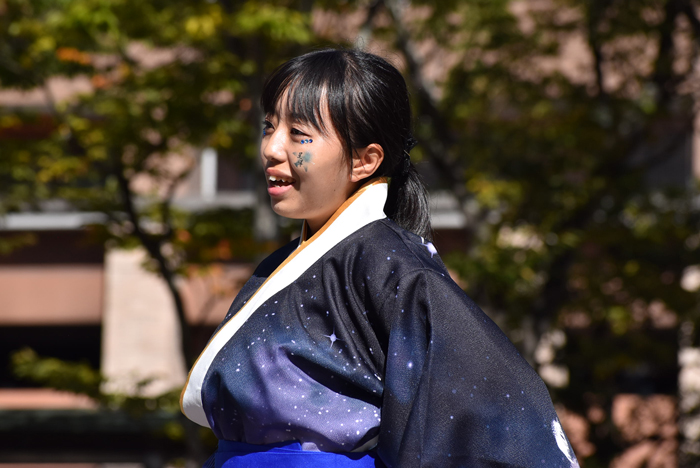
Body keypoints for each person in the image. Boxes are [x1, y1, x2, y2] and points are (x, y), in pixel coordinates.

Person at [181, 48, 579, 468]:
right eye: (268, 126)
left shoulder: (396, 268)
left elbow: (485, 414)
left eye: (299, 134)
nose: (271, 148)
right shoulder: (284, 263)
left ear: (364, 160)